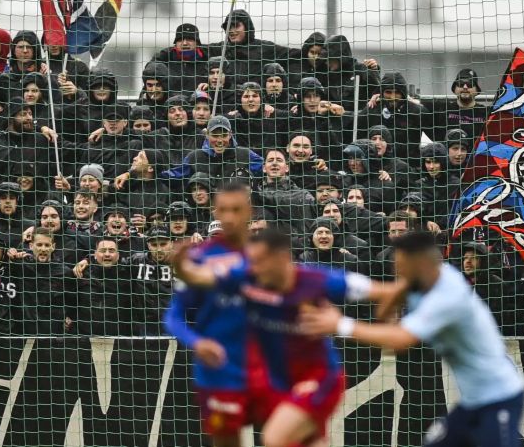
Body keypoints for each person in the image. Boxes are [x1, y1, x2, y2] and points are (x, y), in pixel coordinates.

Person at [173, 227, 408, 447]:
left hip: (319, 377)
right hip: (281, 378)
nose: (253, 268)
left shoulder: (316, 280)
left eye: (260, 261)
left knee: (275, 438)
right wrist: (181, 263)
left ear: (282, 257)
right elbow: (200, 277)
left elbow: (386, 290)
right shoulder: (248, 278)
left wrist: (356, 320)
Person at [299, 230, 524, 447]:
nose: (397, 270)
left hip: (499, 395)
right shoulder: (432, 277)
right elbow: (388, 299)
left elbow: (401, 340)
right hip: (473, 400)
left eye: (401, 265)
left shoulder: (446, 296)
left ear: (419, 263)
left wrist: (340, 324)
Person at [162, 182, 261, 447]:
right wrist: (196, 342)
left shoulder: (264, 256)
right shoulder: (196, 259)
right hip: (219, 370)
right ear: (215, 212)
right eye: (223, 210)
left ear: (249, 212)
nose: (229, 217)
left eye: (237, 210)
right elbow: (172, 316)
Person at [169, 115, 263, 184]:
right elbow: (174, 175)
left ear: (230, 134)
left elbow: (265, 168)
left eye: (224, 135)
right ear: (207, 134)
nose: (219, 140)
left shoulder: (244, 154)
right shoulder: (195, 157)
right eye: (215, 135)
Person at [359, 72, 425, 167]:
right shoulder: (371, 110)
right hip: (376, 166)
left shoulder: (417, 111)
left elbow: (437, 137)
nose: (392, 97)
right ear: (382, 92)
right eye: (388, 92)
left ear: (403, 93)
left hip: (410, 166)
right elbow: (358, 139)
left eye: (397, 92)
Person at [423, 69, 489, 143]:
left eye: (470, 84)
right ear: (454, 89)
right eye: (461, 83)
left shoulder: (486, 113)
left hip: (476, 154)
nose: (465, 87)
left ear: (477, 90)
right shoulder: (443, 109)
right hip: (447, 153)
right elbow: (419, 109)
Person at [153, 23, 209, 94]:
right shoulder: (164, 59)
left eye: (189, 39)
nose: (185, 43)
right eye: (180, 40)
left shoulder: (207, 59)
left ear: (197, 43)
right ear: (175, 44)